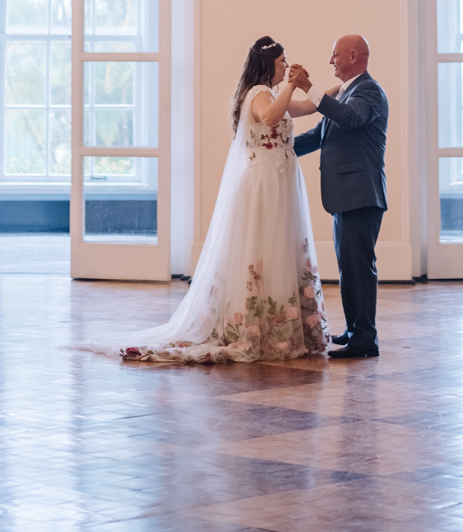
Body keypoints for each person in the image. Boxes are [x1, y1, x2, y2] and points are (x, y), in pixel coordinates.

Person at [101, 36, 327, 365]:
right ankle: (258, 328)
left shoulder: (273, 94)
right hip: (263, 184)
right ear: (268, 65)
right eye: (282, 62)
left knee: (280, 247)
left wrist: (335, 89)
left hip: (279, 181)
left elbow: (309, 107)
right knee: (264, 248)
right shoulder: (259, 95)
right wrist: (292, 87)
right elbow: (270, 118)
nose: (286, 67)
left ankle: (280, 323)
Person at [293, 34, 388, 359]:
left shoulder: (369, 91)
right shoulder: (347, 92)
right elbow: (320, 134)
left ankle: (365, 339)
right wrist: (277, 149)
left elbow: (350, 118)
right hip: (346, 196)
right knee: (349, 267)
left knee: (359, 267)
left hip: (362, 195)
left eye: (335, 55)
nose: (330, 61)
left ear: (352, 55)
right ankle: (354, 330)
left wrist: (309, 88)